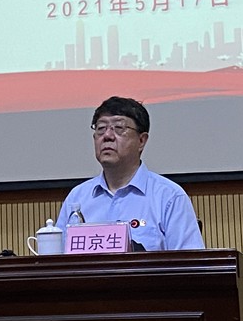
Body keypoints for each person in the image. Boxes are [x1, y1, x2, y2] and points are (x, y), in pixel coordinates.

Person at [57, 96, 204, 251]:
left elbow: (189, 263)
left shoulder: (169, 197)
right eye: (101, 128)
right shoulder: (77, 198)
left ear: (141, 141)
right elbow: (56, 260)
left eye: (119, 128)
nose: (107, 136)